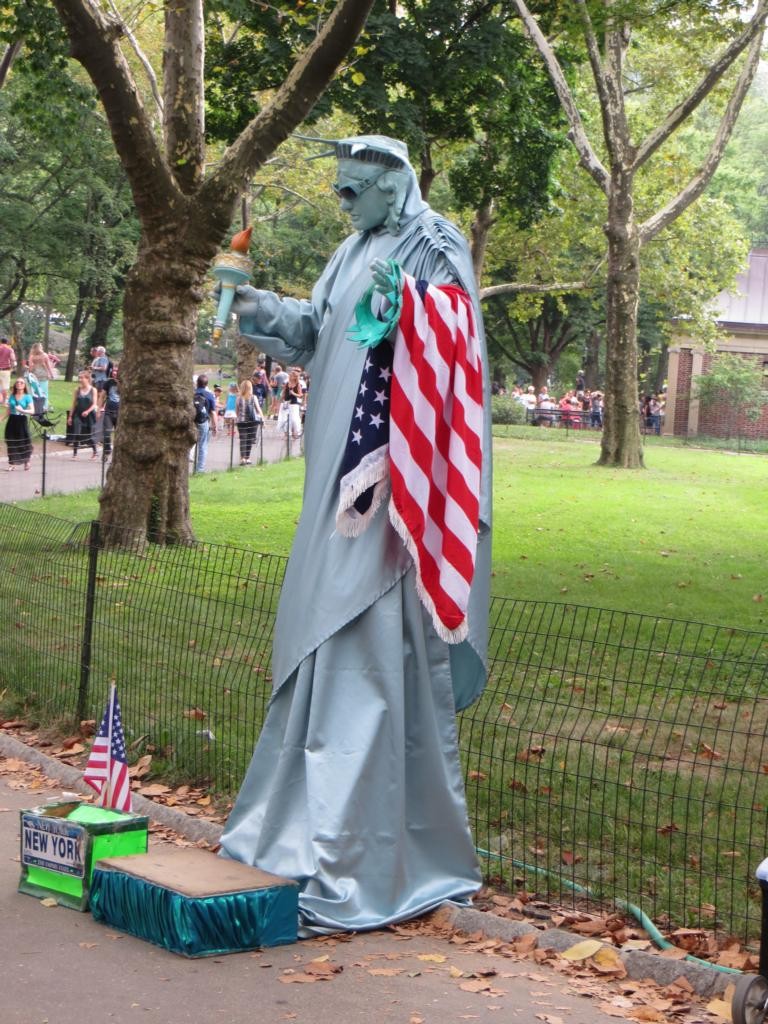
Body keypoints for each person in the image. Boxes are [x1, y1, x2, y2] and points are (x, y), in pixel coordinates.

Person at [219, 134, 492, 937]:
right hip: (328, 484)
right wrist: (259, 307)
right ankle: (298, 827)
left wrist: (409, 301)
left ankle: (357, 851)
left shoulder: (433, 242)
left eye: (351, 190)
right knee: (317, 628)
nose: (342, 202)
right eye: (338, 190)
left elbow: (458, 336)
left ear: (392, 185)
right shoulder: (351, 250)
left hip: (392, 487)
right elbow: (317, 331)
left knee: (368, 637)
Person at [68, 370, 99, 458]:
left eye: (82, 378)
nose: (80, 380)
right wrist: (70, 416)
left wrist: (87, 411)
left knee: (89, 435)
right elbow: (73, 404)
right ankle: (75, 454)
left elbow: (94, 404)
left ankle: (95, 452)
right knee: (76, 433)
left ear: (87, 379)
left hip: (89, 415)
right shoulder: (77, 390)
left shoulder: (93, 390)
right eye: (79, 378)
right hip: (78, 414)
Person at [4, 377, 33, 470]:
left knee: (23, 441)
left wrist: (23, 410)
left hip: (22, 420)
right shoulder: (12, 396)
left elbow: (32, 411)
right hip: (12, 420)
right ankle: (12, 463)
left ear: (24, 386)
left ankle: (27, 461)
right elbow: (8, 411)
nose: (19, 384)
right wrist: (1, 419)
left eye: (21, 382)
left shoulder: (27, 397)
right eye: (17, 382)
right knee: (11, 441)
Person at [193, 374, 216, 471]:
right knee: (202, 445)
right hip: (203, 422)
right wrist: (215, 426)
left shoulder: (192, 394)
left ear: (197, 383)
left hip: (191, 421)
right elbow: (213, 412)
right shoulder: (209, 395)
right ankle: (200, 469)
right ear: (206, 384)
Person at [236, 379, 262, 465]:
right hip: (252, 421)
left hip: (241, 421)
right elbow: (258, 409)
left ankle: (242, 458)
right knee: (250, 439)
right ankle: (247, 457)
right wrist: (262, 419)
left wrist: (236, 419)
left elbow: (237, 411)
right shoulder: (253, 397)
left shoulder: (238, 398)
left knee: (243, 439)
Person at [98, 363, 120, 456]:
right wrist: (98, 410)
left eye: (117, 371)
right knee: (107, 433)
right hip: (109, 412)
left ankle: (116, 456)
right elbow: (102, 396)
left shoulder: (126, 383)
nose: (114, 373)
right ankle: (107, 450)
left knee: (119, 437)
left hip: (120, 413)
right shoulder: (108, 382)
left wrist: (119, 383)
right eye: (113, 370)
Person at [26, 343, 56, 411]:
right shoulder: (44, 355)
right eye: (41, 347)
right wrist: (51, 374)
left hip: (35, 375)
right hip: (43, 374)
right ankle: (44, 406)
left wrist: (29, 373)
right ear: (40, 348)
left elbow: (30, 367)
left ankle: (33, 406)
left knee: (34, 391)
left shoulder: (32, 356)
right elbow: (48, 365)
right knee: (44, 391)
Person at [282, 369, 303, 440]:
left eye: (292, 376)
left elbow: (300, 395)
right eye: (290, 375)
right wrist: (280, 402)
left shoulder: (298, 385)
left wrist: (293, 393)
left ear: (295, 377)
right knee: (285, 419)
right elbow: (284, 393)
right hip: (286, 403)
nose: (290, 377)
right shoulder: (287, 383)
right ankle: (288, 434)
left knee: (294, 419)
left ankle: (296, 432)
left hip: (294, 404)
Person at [0, 337, 17, 405]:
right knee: (5, 387)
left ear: (1, 342)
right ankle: (4, 401)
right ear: (7, 342)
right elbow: (13, 359)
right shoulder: (9, 349)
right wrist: (12, 368)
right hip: (5, 370)